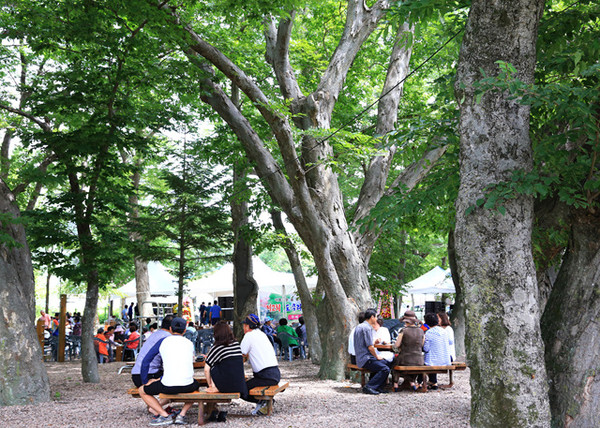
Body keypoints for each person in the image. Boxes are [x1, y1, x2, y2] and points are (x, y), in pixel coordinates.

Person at [138, 317, 199, 426]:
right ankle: (182, 414)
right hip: (187, 385)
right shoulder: (189, 343)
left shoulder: (163, 341)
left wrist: (145, 381)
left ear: (170, 328)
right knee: (197, 387)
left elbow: (146, 361)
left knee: (142, 390)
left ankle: (164, 415)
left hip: (167, 385)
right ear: (185, 330)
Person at [203, 321, 247, 422]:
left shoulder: (217, 347)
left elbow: (206, 369)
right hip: (239, 385)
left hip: (225, 386)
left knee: (213, 367)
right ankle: (212, 410)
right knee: (221, 365)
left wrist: (210, 385)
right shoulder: (236, 345)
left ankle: (211, 408)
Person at [240, 314, 281, 416]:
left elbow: (241, 356)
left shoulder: (248, 336)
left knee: (240, 389)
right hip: (275, 373)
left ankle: (262, 402)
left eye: (244, 325)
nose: (243, 327)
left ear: (248, 326)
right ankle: (263, 402)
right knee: (248, 384)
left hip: (265, 375)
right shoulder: (262, 334)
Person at [353, 308, 392, 395]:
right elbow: (370, 347)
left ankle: (378, 386)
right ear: (372, 317)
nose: (376, 319)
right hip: (366, 358)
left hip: (360, 357)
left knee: (386, 362)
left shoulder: (359, 326)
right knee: (385, 368)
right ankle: (369, 386)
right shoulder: (367, 328)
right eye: (375, 317)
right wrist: (377, 356)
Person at [132, 315, 172, 388]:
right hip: (149, 375)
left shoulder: (155, 334)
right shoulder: (168, 337)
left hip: (136, 374)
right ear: (171, 327)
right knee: (177, 381)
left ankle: (162, 400)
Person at [392, 310, 424, 391]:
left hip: (405, 359)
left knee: (394, 362)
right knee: (412, 364)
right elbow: (422, 345)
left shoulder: (403, 331)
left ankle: (395, 384)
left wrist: (394, 348)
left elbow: (397, 345)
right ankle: (412, 382)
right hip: (419, 360)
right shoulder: (421, 331)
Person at [422, 312, 450, 390]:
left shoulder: (428, 333)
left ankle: (419, 382)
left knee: (423, 361)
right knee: (433, 357)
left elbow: (426, 349)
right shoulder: (444, 331)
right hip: (445, 360)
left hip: (432, 362)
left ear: (426, 322)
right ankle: (433, 382)